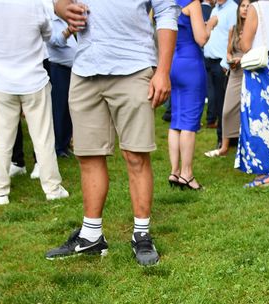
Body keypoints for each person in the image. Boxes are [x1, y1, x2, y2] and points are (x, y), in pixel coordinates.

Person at [46, 0, 179, 266]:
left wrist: (163, 71)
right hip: (85, 68)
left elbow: (166, 13)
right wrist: (61, 9)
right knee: (88, 155)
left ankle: (141, 234)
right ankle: (91, 236)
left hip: (133, 66)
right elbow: (60, 1)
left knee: (136, 155)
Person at [0, 0, 69, 205]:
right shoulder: (33, 3)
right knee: (43, 137)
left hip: (0, 81)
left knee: (0, 139)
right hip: (33, 80)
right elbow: (48, 34)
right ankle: (52, 188)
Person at [235, 0, 269, 188]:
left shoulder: (256, 8)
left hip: (261, 68)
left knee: (259, 120)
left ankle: (264, 174)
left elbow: (245, 45)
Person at [168, 0, 209, 191]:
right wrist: (211, 25)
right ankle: (187, 174)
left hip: (173, 63)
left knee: (176, 120)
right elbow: (201, 38)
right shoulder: (193, 3)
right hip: (191, 63)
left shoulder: (165, 3)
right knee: (189, 122)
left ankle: (174, 171)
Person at [205, 0, 249, 158]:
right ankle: (224, 146)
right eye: (243, 6)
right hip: (234, 71)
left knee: (247, 111)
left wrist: (240, 59)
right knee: (226, 110)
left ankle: (244, 146)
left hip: (250, 70)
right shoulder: (234, 28)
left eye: (248, 6)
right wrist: (230, 59)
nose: (244, 9)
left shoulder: (254, 29)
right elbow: (229, 50)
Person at [203, 0, 238, 149]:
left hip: (221, 64)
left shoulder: (233, 9)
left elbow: (234, 38)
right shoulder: (215, 9)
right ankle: (226, 138)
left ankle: (225, 139)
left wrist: (225, 63)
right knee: (216, 101)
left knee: (224, 104)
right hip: (209, 60)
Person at [46, 10, 78, 159]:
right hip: (58, 68)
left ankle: (64, 144)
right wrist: (69, 31)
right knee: (59, 110)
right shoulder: (50, 19)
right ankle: (58, 147)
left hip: (70, 69)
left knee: (68, 109)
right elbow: (54, 42)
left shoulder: (63, 18)